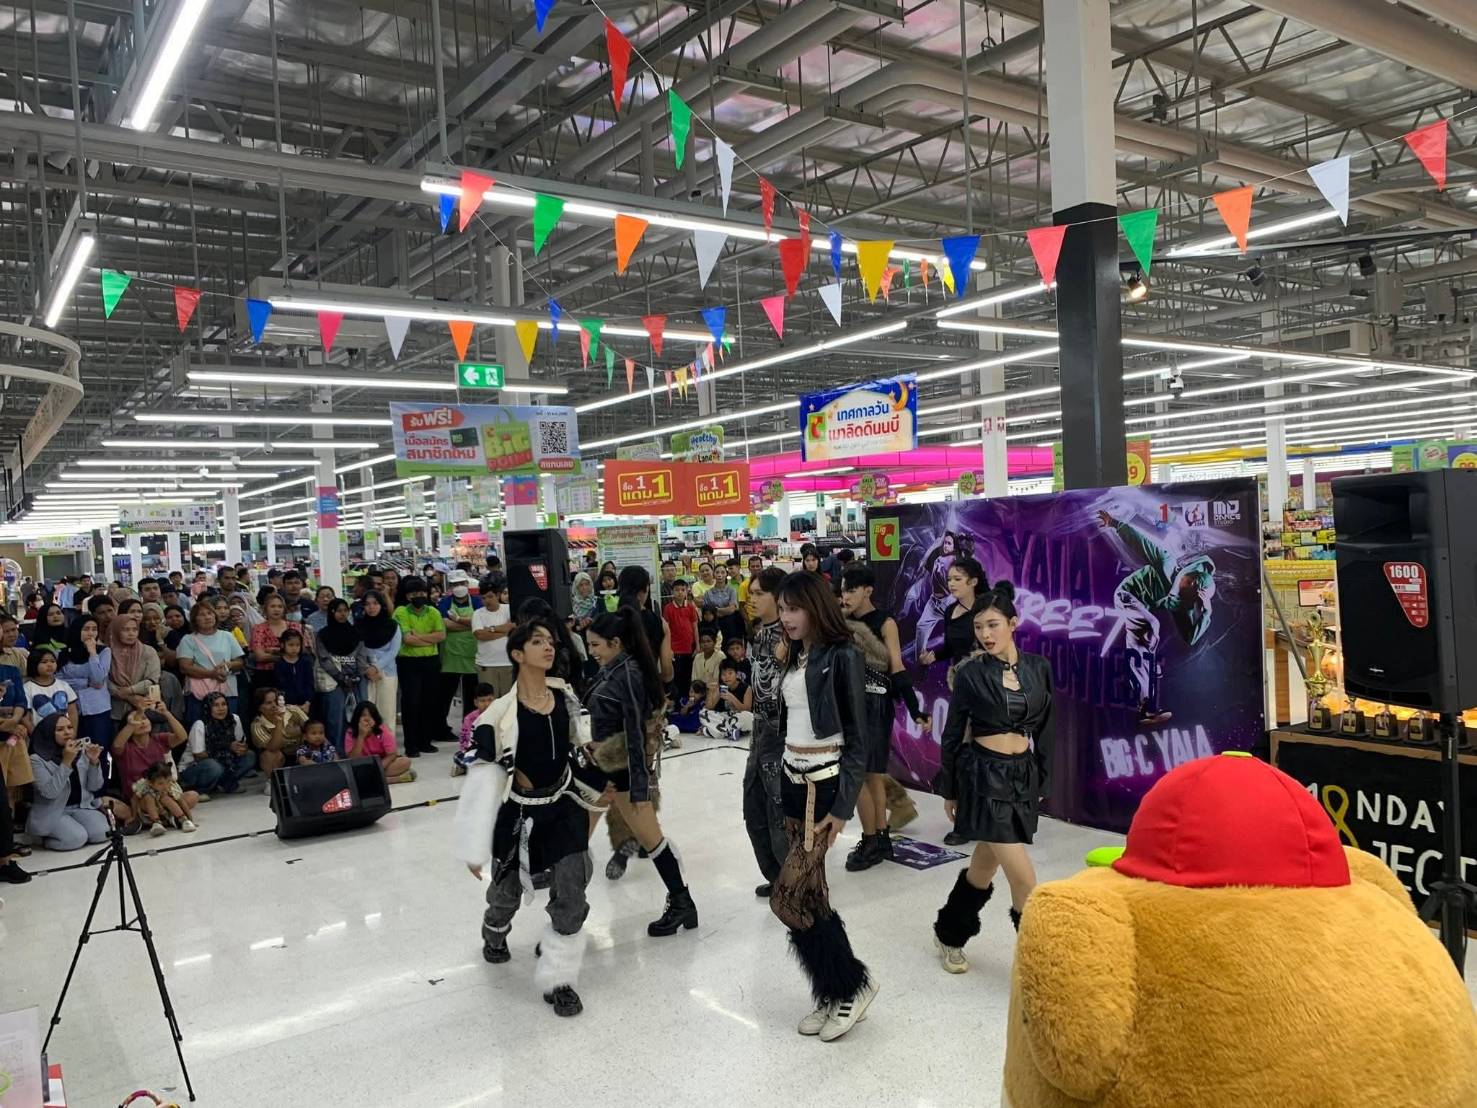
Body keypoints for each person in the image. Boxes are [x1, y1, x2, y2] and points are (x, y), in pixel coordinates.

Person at [455, 621, 606, 1017]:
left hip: (563, 806)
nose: (548, 647)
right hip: (519, 813)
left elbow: (584, 742)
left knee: (572, 890)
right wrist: (473, 845)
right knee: (506, 892)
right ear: (517, 654)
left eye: (550, 641)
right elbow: (483, 779)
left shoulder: (565, 695)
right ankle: (494, 930)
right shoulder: (497, 716)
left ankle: (559, 978)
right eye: (537, 642)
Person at [762, 570, 876, 1041]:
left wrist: (844, 808)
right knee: (812, 896)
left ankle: (851, 984)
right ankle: (834, 991)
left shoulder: (843, 654)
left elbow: (858, 740)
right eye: (782, 609)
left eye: (794, 608)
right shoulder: (795, 654)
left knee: (785, 898)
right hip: (791, 780)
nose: (786, 617)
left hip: (822, 787)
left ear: (815, 607)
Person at [932, 583, 1055, 973]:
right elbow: (953, 734)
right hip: (984, 777)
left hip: (1022, 776)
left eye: (993, 625)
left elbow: (1045, 730)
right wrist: (950, 790)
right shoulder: (970, 674)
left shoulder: (1039, 668)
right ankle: (1037, 967)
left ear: (1013, 624)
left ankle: (949, 934)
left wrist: (1042, 780)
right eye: (979, 627)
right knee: (1024, 878)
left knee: (983, 867)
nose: (985, 634)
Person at [583, 607, 697, 936]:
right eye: (589, 645)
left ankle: (682, 903)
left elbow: (636, 733)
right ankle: (566, 915)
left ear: (616, 643)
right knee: (574, 842)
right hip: (602, 769)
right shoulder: (611, 670)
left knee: (651, 840)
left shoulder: (628, 674)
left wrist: (638, 787)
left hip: (621, 772)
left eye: (595, 645)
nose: (591, 651)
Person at [839, 565, 930, 871]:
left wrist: (914, 709)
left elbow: (897, 665)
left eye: (852, 589)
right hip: (849, 703)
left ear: (868, 590)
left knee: (868, 773)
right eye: (843, 590)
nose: (846, 596)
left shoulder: (885, 622)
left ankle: (874, 839)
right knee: (870, 775)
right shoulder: (841, 621)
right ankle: (879, 838)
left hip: (876, 703)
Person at [1096, 509, 1217, 724]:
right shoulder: (1166, 562)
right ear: (1188, 575)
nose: (1183, 590)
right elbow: (1140, 543)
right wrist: (1114, 523)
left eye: (1189, 594)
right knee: (1152, 624)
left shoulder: (1183, 604)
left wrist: (1206, 611)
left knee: (1139, 653)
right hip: (1126, 595)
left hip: (1141, 609)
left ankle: (1146, 707)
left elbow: (1190, 637)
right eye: (1188, 583)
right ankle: (1148, 669)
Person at [744, 566, 789, 897]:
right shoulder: (760, 636)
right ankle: (775, 876)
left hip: (782, 735)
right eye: (751, 593)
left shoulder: (792, 638)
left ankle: (794, 882)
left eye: (760, 593)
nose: (753, 599)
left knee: (780, 810)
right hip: (759, 732)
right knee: (754, 807)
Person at [27, 713, 123, 851]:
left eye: (70, 727)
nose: (67, 732)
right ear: (48, 732)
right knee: (75, 839)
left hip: (81, 806)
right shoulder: (36, 759)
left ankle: (73, 828)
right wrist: (66, 761)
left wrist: (94, 762)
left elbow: (95, 786)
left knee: (103, 833)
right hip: (54, 811)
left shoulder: (79, 750)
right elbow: (50, 793)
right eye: (60, 729)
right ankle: (43, 839)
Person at [113, 704, 196, 834]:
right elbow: (117, 746)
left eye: (144, 718)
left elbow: (182, 737)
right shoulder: (126, 748)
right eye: (136, 720)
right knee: (108, 802)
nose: (142, 722)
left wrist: (167, 713)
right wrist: (131, 725)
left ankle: (159, 818)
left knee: (192, 796)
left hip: (163, 793)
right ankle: (164, 817)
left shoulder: (158, 739)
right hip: (138, 798)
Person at [394, 576, 445, 756]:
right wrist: (429, 638)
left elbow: (441, 636)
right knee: (411, 703)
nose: (420, 596)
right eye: (415, 593)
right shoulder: (401, 611)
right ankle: (411, 745)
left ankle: (425, 742)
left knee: (429, 702)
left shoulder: (433, 612)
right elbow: (407, 639)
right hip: (409, 663)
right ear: (408, 596)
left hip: (431, 661)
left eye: (423, 592)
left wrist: (419, 637)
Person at [176, 601, 245, 727]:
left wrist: (229, 665)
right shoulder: (188, 640)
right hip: (199, 693)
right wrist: (212, 674)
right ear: (194, 619)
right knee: (200, 727)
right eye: (202, 615)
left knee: (228, 727)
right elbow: (185, 667)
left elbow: (239, 662)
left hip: (227, 690)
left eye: (210, 613)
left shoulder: (227, 636)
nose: (207, 617)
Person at [917, 555, 987, 671]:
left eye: (957, 579)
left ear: (973, 581)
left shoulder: (987, 609)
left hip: (985, 676)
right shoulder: (950, 611)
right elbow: (950, 649)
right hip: (960, 676)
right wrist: (933, 657)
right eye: (949, 579)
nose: (951, 584)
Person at [180, 691, 256, 795]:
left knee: (249, 756)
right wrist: (227, 747)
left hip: (223, 762)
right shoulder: (200, 724)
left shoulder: (234, 719)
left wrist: (242, 749)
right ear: (208, 708)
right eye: (216, 705)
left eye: (224, 704)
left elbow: (241, 743)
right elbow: (199, 756)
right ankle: (198, 791)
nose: (221, 708)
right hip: (195, 767)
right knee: (213, 766)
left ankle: (226, 784)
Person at [438, 569, 482, 742]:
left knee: (472, 694)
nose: (459, 587)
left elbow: (480, 622)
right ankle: (441, 728)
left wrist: (456, 620)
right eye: (455, 584)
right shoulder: (445, 602)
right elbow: (445, 625)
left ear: (467, 584)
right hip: (451, 655)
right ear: (450, 587)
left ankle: (469, 728)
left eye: (461, 584)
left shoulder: (477, 601)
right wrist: (469, 623)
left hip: (472, 653)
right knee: (445, 694)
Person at [315, 600, 365, 743]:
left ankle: (353, 749)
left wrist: (354, 676)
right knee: (335, 718)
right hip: (333, 681)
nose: (343, 614)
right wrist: (342, 677)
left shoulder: (355, 633)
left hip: (355, 682)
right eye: (338, 611)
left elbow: (361, 657)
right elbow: (324, 659)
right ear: (332, 613)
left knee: (356, 717)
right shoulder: (323, 634)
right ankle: (336, 750)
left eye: (345, 610)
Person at [355, 591, 401, 738]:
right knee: (366, 713)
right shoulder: (358, 625)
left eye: (375, 603)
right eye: (367, 604)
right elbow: (357, 650)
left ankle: (388, 745)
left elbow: (394, 651)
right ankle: (368, 746)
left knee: (387, 712)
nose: (371, 607)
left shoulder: (392, 625)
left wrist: (376, 667)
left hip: (387, 672)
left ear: (382, 605)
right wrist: (367, 668)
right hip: (365, 674)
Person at [108, 612, 162, 726]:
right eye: (125, 630)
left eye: (134, 629)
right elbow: (104, 681)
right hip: (115, 710)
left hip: (144, 709)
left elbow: (152, 680)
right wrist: (129, 697)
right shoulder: (107, 652)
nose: (131, 633)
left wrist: (129, 691)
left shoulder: (148, 651)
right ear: (116, 631)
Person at [342, 701, 413, 783]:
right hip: (361, 765)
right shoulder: (350, 732)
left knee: (405, 762)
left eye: (371, 716)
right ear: (357, 718)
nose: (367, 719)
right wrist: (361, 736)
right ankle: (391, 780)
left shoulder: (382, 729)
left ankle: (370, 779)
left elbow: (392, 754)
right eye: (363, 715)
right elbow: (352, 759)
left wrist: (377, 768)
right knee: (350, 772)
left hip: (382, 764)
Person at [471, 574, 513, 697]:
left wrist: (490, 630)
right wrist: (504, 630)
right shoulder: (478, 614)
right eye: (483, 598)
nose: (487, 601)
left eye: (490, 597)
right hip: (486, 664)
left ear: (498, 595)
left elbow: (514, 629)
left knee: (507, 700)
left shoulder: (508, 609)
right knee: (489, 701)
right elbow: (480, 635)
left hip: (508, 663)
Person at [251, 687, 307, 777]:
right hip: (282, 757)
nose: (274, 705)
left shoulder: (293, 710)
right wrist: (279, 723)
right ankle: (274, 781)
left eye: (276, 701)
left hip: (303, 751)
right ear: (260, 708)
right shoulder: (257, 725)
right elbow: (273, 747)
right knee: (269, 755)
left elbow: (313, 728)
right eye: (269, 703)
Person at [133, 760, 197, 836]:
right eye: (160, 783)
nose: (165, 786)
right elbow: (134, 799)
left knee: (165, 798)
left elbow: (181, 801)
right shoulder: (144, 786)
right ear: (150, 782)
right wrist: (134, 817)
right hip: (148, 813)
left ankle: (183, 819)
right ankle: (156, 823)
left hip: (166, 812)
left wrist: (190, 819)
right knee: (148, 796)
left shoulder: (171, 786)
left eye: (168, 781)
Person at [249, 592, 292, 690]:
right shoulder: (258, 629)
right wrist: (285, 654)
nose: (276, 609)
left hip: (291, 673)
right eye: (272, 606)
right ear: (266, 609)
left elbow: (298, 652)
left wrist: (271, 650)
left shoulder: (294, 627)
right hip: (265, 676)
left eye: (280, 606)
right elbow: (260, 657)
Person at [701, 659, 753, 740]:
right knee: (703, 712)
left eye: (730, 673)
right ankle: (731, 731)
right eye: (723, 674)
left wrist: (732, 698)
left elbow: (747, 710)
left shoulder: (746, 688)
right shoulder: (720, 687)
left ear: (736, 674)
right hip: (724, 717)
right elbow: (709, 707)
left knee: (750, 717)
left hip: (738, 717)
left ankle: (713, 731)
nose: (727, 677)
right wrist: (710, 691)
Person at [662, 578, 698, 696]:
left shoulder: (691, 607)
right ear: (672, 592)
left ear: (687, 591)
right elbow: (666, 630)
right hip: (675, 649)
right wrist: (669, 649)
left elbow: (695, 626)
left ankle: (687, 699)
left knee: (688, 676)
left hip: (689, 648)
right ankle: (676, 700)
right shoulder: (668, 608)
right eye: (677, 590)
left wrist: (697, 645)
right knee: (677, 677)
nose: (680, 592)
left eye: (683, 590)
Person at [454, 682, 497, 776]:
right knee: (458, 756)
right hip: (478, 750)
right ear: (475, 702)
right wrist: (466, 752)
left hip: (495, 750)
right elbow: (464, 740)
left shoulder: (499, 714)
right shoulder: (470, 718)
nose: (487, 704)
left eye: (490, 700)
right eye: (482, 701)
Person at [274, 629, 316, 715]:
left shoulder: (305, 663)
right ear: (283, 645)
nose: (294, 648)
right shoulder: (279, 664)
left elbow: (310, 684)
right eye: (291, 645)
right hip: (287, 706)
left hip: (306, 706)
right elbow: (279, 687)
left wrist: (307, 703)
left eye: (297, 645)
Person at [692, 627, 722, 693]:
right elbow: (694, 679)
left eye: (708, 641)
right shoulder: (697, 657)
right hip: (698, 692)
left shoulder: (720, 656)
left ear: (715, 642)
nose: (705, 644)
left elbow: (715, 681)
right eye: (703, 642)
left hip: (714, 692)